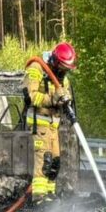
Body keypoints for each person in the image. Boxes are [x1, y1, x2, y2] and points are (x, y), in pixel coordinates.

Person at [23, 42, 77, 202]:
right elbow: (30, 97)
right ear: (55, 61)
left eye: (67, 69)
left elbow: (65, 95)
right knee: (44, 162)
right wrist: (53, 99)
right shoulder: (36, 68)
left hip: (53, 126)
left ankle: (49, 197)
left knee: (55, 164)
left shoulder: (63, 77)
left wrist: (64, 100)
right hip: (40, 124)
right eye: (63, 68)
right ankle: (39, 198)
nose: (64, 72)